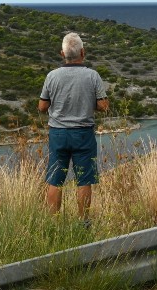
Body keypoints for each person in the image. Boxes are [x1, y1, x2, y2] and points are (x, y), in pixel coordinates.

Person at [38, 32, 109, 218]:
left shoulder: (52, 76)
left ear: (62, 54)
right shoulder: (93, 76)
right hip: (83, 135)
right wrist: (86, 102)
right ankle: (83, 224)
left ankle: (53, 224)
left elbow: (42, 107)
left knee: (55, 179)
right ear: (83, 52)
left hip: (58, 134)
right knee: (84, 180)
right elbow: (103, 106)